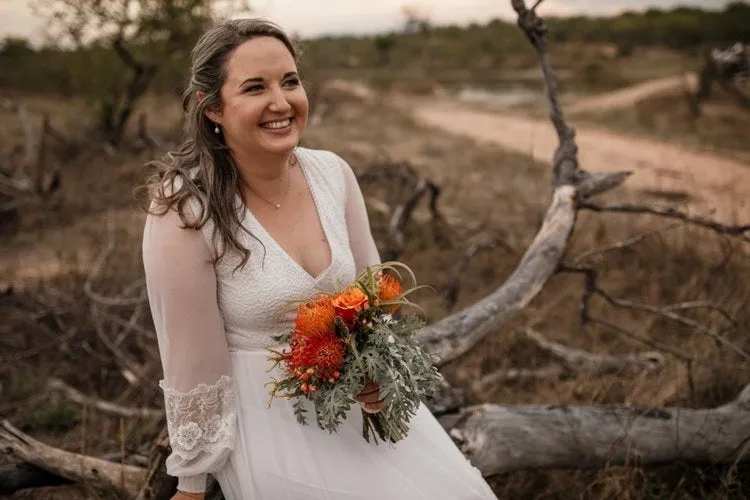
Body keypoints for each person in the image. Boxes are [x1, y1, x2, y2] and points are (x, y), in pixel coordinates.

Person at [142, 17, 498, 500]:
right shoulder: (187, 208)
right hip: (264, 420)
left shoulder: (333, 173)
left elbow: (374, 303)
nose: (281, 102)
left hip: (354, 406)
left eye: (290, 81)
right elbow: (192, 361)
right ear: (213, 109)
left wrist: (378, 379)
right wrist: (191, 479)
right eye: (254, 88)